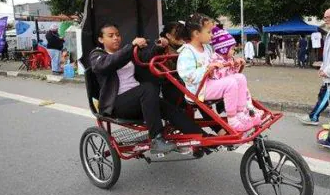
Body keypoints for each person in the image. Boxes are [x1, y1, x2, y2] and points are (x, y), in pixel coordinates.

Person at [90, 23, 203, 154]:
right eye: (111, 36)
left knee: (170, 109)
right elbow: (108, 63)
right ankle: (156, 139)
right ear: (101, 39)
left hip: (139, 101)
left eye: (118, 35)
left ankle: (204, 139)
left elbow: (146, 57)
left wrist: (158, 46)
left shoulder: (127, 53)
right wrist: (131, 46)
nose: (116, 38)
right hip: (117, 104)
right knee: (148, 88)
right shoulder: (97, 56)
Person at [177, 14, 253, 132]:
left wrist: (232, 62)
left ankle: (241, 111)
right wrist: (207, 69)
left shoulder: (207, 48)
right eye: (209, 32)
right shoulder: (187, 52)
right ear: (196, 34)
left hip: (210, 83)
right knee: (231, 83)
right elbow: (187, 75)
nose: (212, 35)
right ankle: (233, 119)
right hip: (199, 90)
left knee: (240, 77)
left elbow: (219, 60)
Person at [210, 26, 263, 123]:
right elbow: (217, 76)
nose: (234, 51)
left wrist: (236, 64)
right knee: (239, 92)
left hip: (231, 83)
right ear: (223, 49)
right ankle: (240, 114)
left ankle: (249, 109)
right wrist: (225, 66)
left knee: (244, 89)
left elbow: (233, 73)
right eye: (232, 49)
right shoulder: (216, 59)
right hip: (222, 86)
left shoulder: (228, 58)